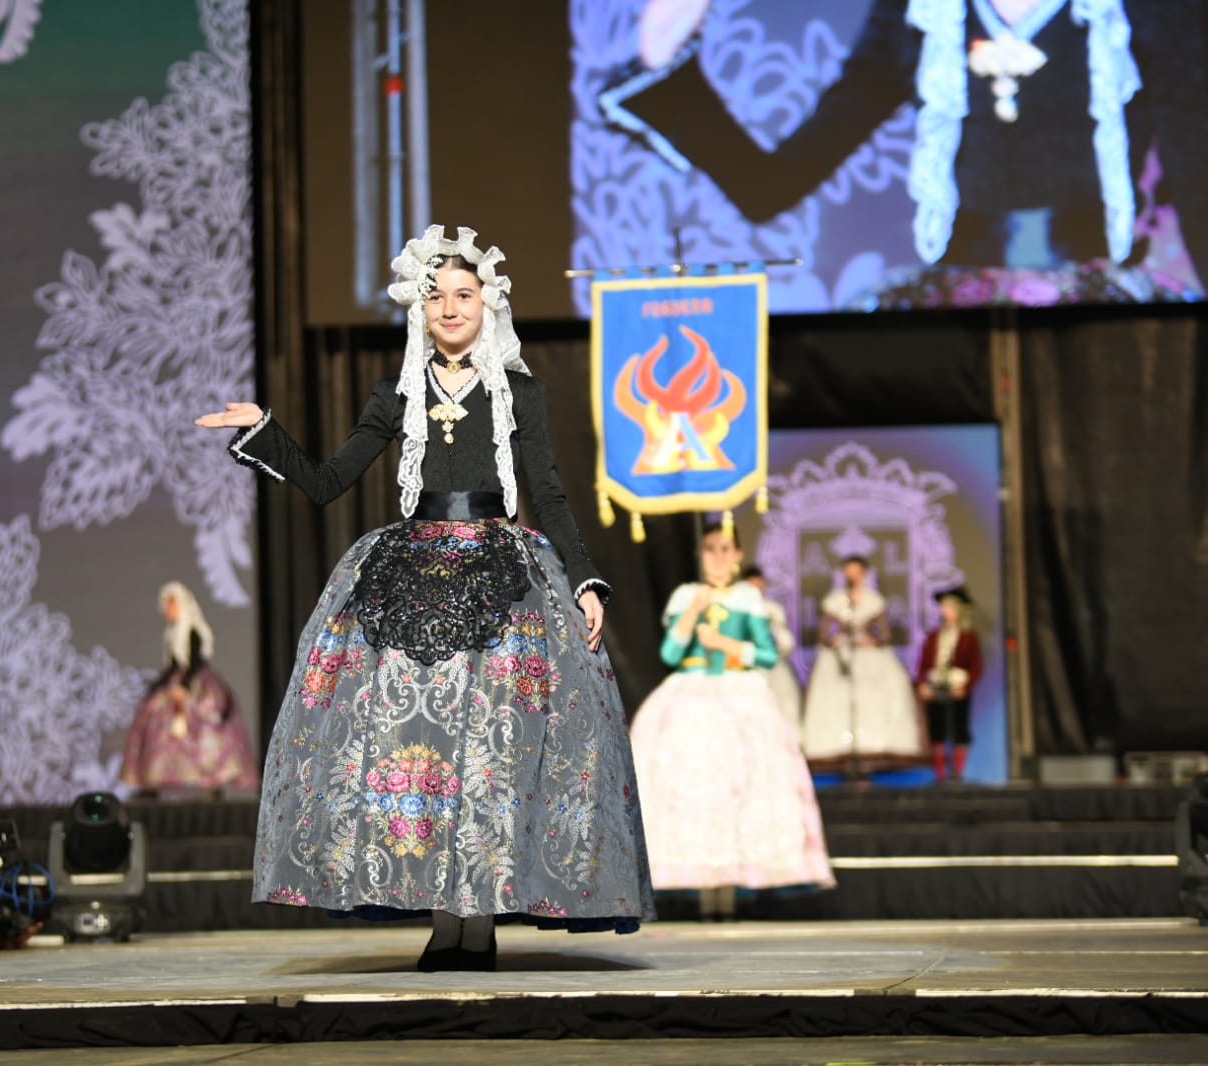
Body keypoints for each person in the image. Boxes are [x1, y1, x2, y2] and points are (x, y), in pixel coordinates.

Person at [195, 225, 655, 971]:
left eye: (464, 294)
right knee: (426, 753)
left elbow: (549, 491)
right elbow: (326, 480)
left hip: (504, 577)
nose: (449, 307)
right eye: (435, 295)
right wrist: (264, 433)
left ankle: (481, 919)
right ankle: (447, 923)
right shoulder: (396, 395)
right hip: (407, 572)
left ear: (487, 305)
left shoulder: (519, 394)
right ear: (419, 307)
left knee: (491, 755)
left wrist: (584, 579)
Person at [597, 0, 1208, 307]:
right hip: (952, 301)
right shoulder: (921, 15)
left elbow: (1196, 175)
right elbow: (770, 187)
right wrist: (658, 56)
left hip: (1094, 292)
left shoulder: (1142, 12)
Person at [629, 524, 834, 919]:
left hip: (740, 694)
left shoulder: (747, 598)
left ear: (738, 555)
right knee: (694, 785)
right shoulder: (687, 595)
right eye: (710, 549)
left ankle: (732, 891)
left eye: (726, 549)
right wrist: (694, 610)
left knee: (740, 785)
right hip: (690, 694)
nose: (718, 556)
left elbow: (768, 655)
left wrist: (723, 644)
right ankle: (703, 893)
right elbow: (672, 652)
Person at [120, 581, 261, 793]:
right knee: (156, 717)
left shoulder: (193, 631)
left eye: (172, 605)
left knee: (205, 723)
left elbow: (196, 661)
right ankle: (151, 781)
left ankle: (212, 782)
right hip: (179, 679)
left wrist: (185, 686)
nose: (168, 611)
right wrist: (156, 688)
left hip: (196, 682)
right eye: (167, 606)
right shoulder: (172, 634)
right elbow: (173, 665)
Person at [801, 556, 928, 772]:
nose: (851, 576)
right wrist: (833, 640)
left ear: (865, 574)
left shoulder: (873, 600)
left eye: (856, 572)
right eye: (847, 572)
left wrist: (872, 641)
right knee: (836, 700)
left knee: (872, 700)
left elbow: (885, 634)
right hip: (841, 656)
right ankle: (840, 753)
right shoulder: (835, 600)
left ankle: (870, 754)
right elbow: (823, 634)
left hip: (868, 656)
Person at [916, 585, 985, 782]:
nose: (944, 611)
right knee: (937, 729)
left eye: (949, 607)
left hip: (957, 688)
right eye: (943, 607)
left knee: (959, 728)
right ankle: (939, 774)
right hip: (936, 685)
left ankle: (957, 773)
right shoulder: (933, 636)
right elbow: (923, 663)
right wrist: (922, 684)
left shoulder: (968, 637)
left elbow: (976, 665)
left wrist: (965, 686)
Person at [742, 563, 802, 727]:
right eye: (751, 586)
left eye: (759, 586)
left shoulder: (773, 609)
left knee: (785, 705)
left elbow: (787, 642)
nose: (756, 591)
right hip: (750, 668)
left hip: (775, 666)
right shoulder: (740, 611)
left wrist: (773, 632)